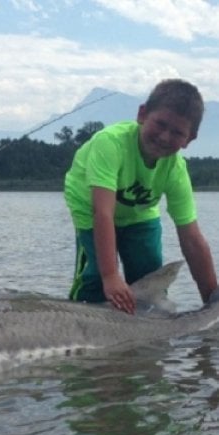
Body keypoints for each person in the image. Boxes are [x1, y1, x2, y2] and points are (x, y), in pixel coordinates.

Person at [64, 78, 217, 313]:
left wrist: (213, 300)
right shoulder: (110, 143)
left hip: (139, 213)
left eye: (177, 132)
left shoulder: (175, 170)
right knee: (95, 277)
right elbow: (103, 213)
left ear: (190, 139)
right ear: (142, 114)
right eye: (161, 124)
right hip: (90, 207)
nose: (165, 137)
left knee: (149, 277)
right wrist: (111, 276)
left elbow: (192, 239)